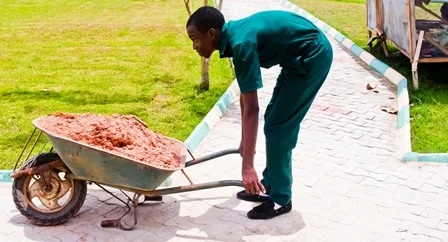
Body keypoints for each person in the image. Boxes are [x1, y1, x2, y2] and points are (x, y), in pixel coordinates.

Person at [186, 6, 333, 220]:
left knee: (279, 127)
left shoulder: (241, 44)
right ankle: (268, 185)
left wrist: (247, 167)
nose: (194, 46)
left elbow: (252, 108)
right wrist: (246, 141)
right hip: (298, 55)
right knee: (274, 119)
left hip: (313, 55)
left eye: (195, 39)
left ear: (211, 34)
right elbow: (246, 99)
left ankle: (281, 198)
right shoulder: (236, 38)